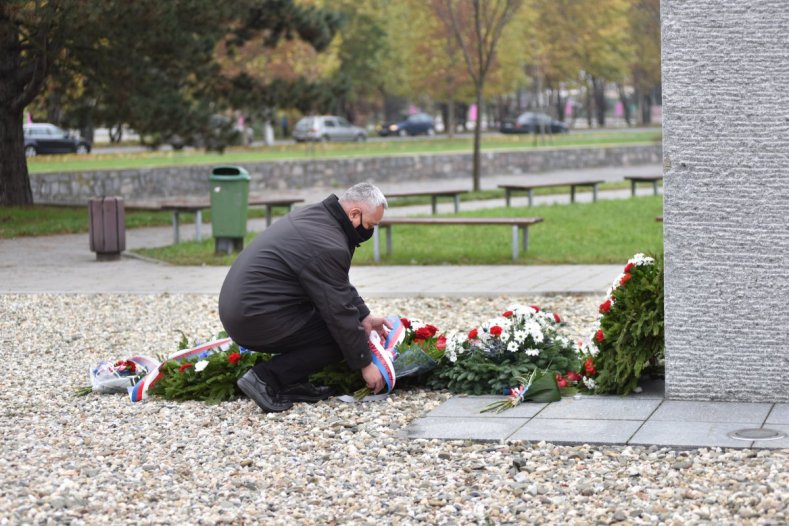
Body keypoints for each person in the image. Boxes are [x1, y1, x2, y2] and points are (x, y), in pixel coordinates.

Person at [218, 182, 391, 412]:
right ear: (354, 214)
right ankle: (265, 378)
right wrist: (365, 363)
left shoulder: (318, 217)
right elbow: (338, 311)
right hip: (255, 316)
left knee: (341, 324)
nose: (370, 231)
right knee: (339, 335)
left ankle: (292, 383)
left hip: (249, 308)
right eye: (370, 225)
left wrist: (365, 315)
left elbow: (334, 282)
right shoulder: (327, 243)